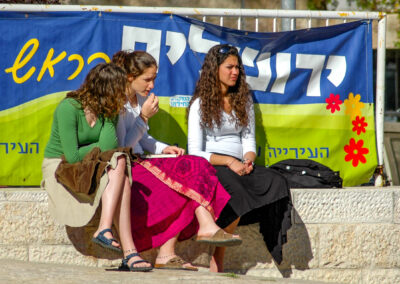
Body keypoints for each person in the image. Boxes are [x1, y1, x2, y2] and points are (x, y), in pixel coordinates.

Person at [112, 50, 242, 271]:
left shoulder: (139, 98)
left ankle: (189, 238)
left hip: (143, 159)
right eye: (147, 79)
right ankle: (175, 246)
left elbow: (144, 138)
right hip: (127, 165)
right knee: (186, 177)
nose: (152, 85)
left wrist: (165, 149)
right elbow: (123, 145)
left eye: (154, 79)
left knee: (196, 164)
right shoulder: (116, 102)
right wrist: (143, 117)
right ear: (129, 77)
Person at [187, 44, 293, 272]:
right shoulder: (199, 104)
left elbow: (248, 140)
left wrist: (248, 159)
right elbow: (194, 152)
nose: (235, 72)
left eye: (238, 67)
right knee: (235, 188)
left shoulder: (243, 101)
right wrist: (228, 161)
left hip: (239, 164)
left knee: (276, 181)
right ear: (214, 70)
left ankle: (225, 239)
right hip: (214, 165)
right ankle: (218, 255)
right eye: (229, 67)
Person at [41, 63, 152, 272]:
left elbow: (109, 147)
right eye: (120, 90)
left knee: (120, 161)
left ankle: (109, 233)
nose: (125, 96)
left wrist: (106, 125)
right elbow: (72, 156)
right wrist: (96, 149)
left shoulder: (107, 111)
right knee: (119, 162)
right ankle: (128, 251)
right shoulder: (69, 107)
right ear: (106, 89)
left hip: (88, 162)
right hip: (60, 165)